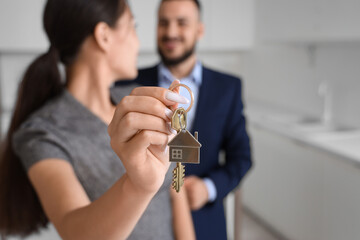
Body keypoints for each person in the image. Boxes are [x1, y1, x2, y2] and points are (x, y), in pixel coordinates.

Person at [0, 0, 196, 239]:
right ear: (103, 36)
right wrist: (138, 185)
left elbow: (177, 189)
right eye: (133, 27)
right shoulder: (42, 132)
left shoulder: (136, 101)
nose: (138, 42)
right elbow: (75, 232)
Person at [118, 0, 253, 239]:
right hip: (141, 222)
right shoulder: (129, 85)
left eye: (181, 23)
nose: (170, 32)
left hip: (202, 219)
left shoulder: (228, 87)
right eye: (163, 23)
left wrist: (209, 188)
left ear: (199, 29)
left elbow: (241, 157)